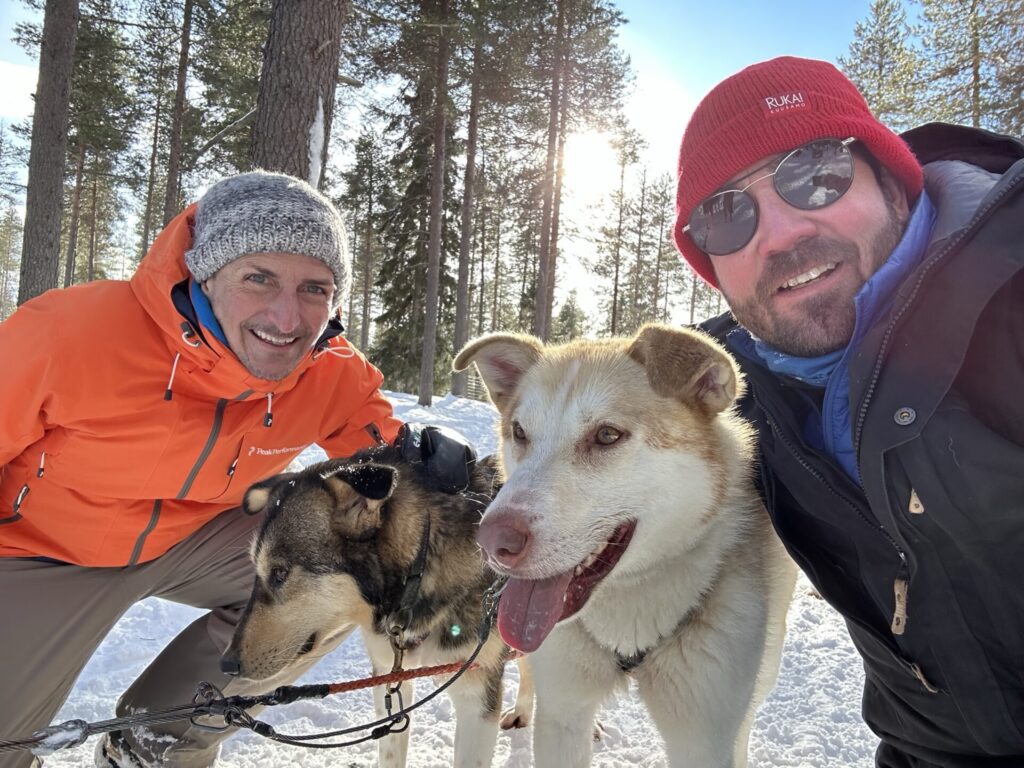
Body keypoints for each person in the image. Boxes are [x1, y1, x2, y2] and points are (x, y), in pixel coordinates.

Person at [0, 171, 475, 768]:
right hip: (42, 550)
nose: (286, 315)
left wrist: (429, 459)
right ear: (207, 273)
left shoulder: (325, 366)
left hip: (197, 538)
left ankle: (157, 741)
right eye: (258, 278)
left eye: (314, 288)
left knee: (339, 582)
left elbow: (376, 435)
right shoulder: (69, 333)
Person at [672, 56, 1024, 768]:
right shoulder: (733, 391)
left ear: (888, 174)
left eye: (814, 173)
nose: (778, 235)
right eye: (725, 214)